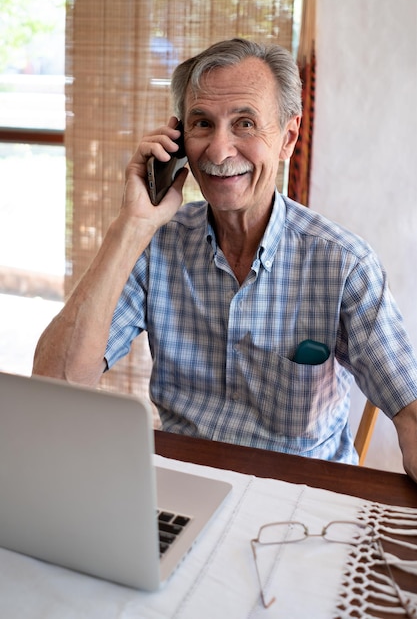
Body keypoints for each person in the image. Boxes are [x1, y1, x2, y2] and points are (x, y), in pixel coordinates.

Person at [33, 38, 417, 480]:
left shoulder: (344, 264)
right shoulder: (155, 245)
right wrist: (130, 225)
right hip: (183, 487)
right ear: (178, 140)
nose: (218, 151)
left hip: (298, 502)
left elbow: (411, 415)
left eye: (245, 124)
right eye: (202, 124)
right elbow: (54, 387)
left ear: (287, 138)